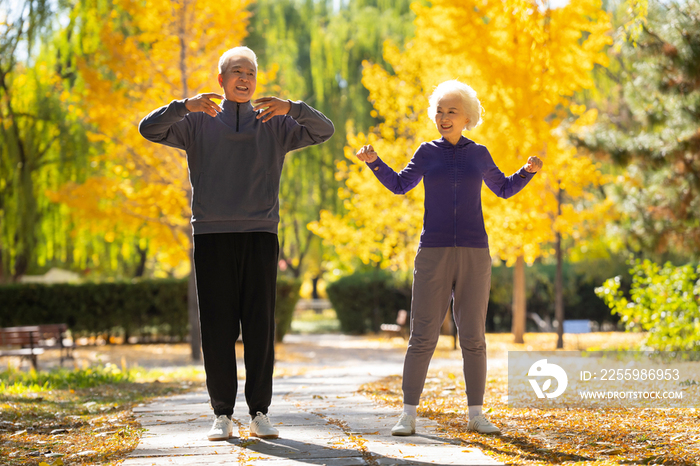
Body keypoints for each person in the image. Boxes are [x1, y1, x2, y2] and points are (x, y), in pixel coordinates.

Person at [139, 46, 334, 441]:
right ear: (222, 80)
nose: (244, 79)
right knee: (217, 328)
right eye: (236, 72)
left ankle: (260, 412)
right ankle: (222, 415)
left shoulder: (274, 123)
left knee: (260, 328)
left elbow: (323, 130)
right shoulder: (197, 121)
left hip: (261, 234)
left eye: (250, 73)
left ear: (256, 80)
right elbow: (149, 129)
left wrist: (293, 108)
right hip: (211, 235)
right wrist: (182, 105)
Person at [356, 80, 542, 436]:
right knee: (422, 336)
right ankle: (408, 414)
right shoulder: (427, 152)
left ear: (467, 117)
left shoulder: (479, 154)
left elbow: (503, 188)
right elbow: (399, 184)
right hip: (433, 252)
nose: (443, 117)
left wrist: (528, 173)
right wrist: (374, 162)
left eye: (451, 111)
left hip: (474, 253)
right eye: (439, 111)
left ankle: (476, 414)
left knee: (474, 336)